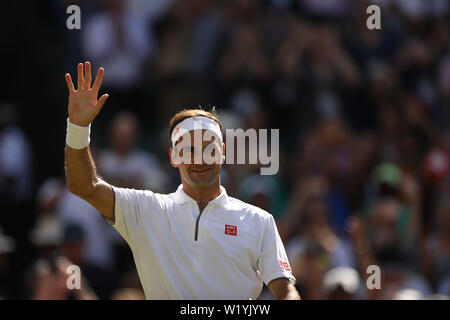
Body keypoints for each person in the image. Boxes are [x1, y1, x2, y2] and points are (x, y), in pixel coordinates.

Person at [63, 61, 299, 300]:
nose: (200, 158)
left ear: (223, 152)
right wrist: (78, 127)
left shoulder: (259, 221)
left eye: (209, 148)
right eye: (189, 150)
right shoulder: (146, 210)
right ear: (173, 157)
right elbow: (83, 186)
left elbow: (285, 290)